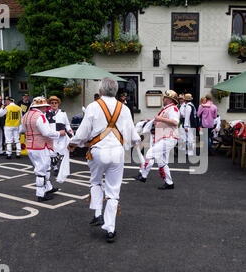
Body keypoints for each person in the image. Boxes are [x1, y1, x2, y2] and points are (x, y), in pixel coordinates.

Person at [69, 77, 140, 243]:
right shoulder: (124, 108)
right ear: (116, 92)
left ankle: (97, 213)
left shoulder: (93, 107)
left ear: (100, 91)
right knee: (113, 191)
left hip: (98, 152)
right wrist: (136, 143)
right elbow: (132, 134)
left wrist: (73, 143)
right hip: (117, 152)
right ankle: (110, 229)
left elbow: (83, 132)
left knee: (95, 182)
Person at [21, 97, 64, 202]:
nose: (46, 108)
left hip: (30, 146)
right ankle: (41, 194)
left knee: (45, 167)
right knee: (41, 169)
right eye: (45, 106)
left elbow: (21, 130)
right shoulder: (40, 116)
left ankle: (48, 187)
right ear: (40, 107)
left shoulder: (26, 115)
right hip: (40, 146)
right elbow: (46, 133)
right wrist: (59, 133)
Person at [134, 90, 179, 189]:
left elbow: (175, 122)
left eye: (164, 97)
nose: (163, 99)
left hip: (168, 138)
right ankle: (169, 183)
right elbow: (165, 122)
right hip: (165, 138)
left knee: (150, 154)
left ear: (169, 99)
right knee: (162, 162)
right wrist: (154, 121)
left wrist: (160, 119)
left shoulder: (173, 109)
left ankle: (144, 176)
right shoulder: (167, 109)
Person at [46, 95, 73, 179]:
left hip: (62, 137)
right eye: (52, 103)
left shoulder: (62, 112)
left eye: (56, 103)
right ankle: (55, 168)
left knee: (62, 154)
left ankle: (62, 170)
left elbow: (67, 124)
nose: (54, 104)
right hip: (52, 137)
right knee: (52, 155)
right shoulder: (46, 113)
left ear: (58, 104)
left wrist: (70, 131)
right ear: (50, 104)